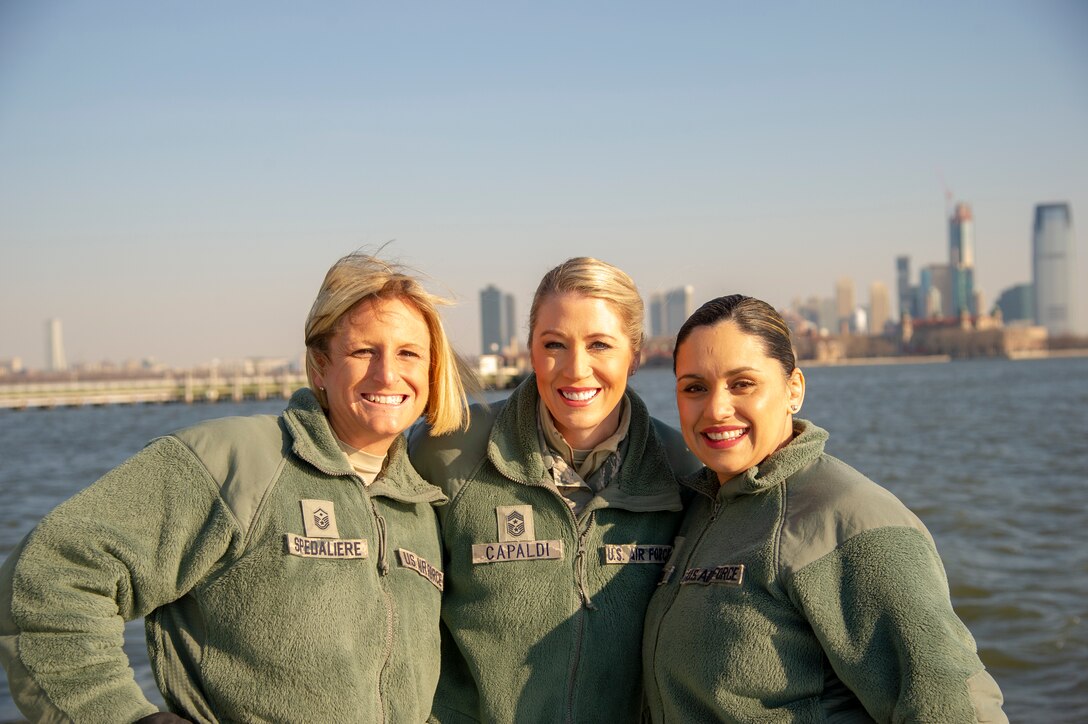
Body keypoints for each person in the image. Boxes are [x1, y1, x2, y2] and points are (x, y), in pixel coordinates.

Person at [0, 252, 473, 723]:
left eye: (408, 353)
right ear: (319, 366)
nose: (388, 374)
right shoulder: (235, 459)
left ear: (432, 372)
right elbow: (49, 576)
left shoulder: (422, 504)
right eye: (363, 351)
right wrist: (129, 718)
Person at [642, 294, 1007, 723]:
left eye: (742, 384)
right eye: (695, 387)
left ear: (793, 389)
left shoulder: (854, 522)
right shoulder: (702, 506)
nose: (717, 408)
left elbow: (952, 707)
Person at [410, 257, 700, 722]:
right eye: (554, 344)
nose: (575, 369)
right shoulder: (449, 451)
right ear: (529, 349)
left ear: (636, 352)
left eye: (600, 344)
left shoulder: (681, 467)